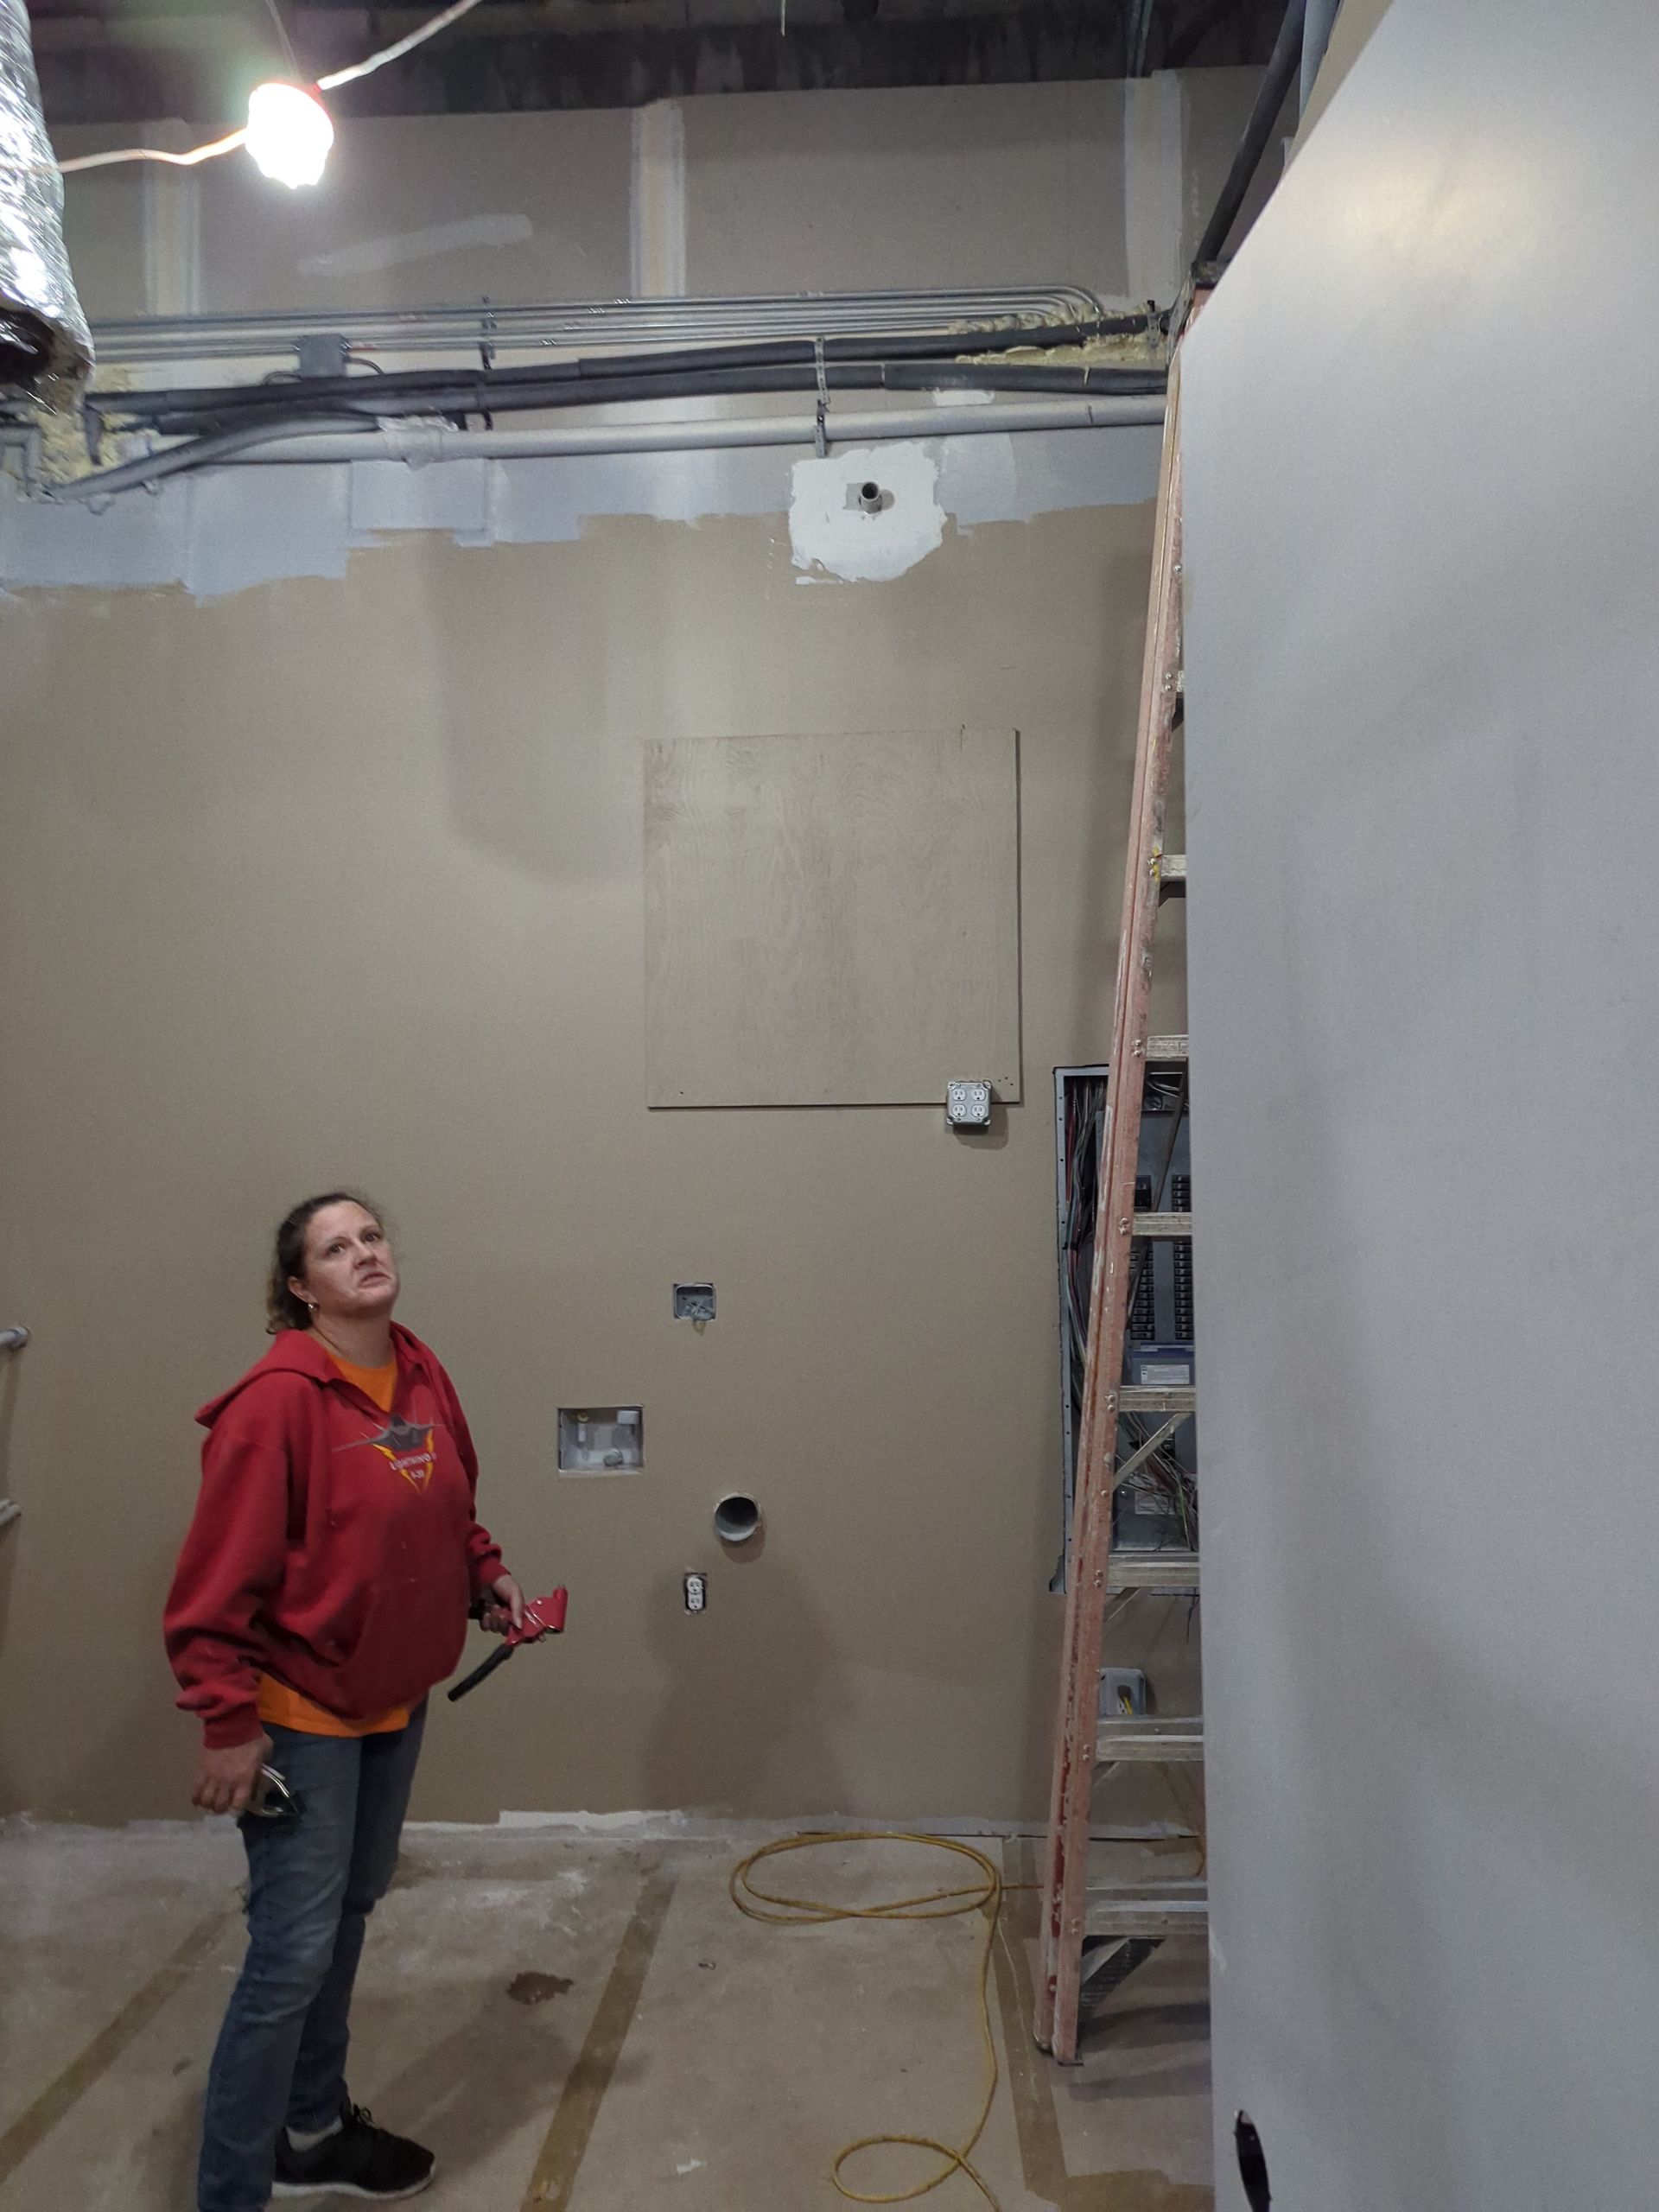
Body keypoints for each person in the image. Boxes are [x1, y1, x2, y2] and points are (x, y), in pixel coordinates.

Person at [165, 1192, 522, 2210]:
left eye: (371, 1236)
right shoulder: (275, 1401)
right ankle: (231, 2189)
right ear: (297, 1285)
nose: (363, 1253)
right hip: (302, 1714)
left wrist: (484, 1580)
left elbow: (446, 1505)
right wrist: (228, 1726)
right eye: (335, 1246)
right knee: (289, 1957)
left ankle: (312, 2131)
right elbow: (208, 1590)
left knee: (348, 1919)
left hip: (392, 1702)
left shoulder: (416, 1365)